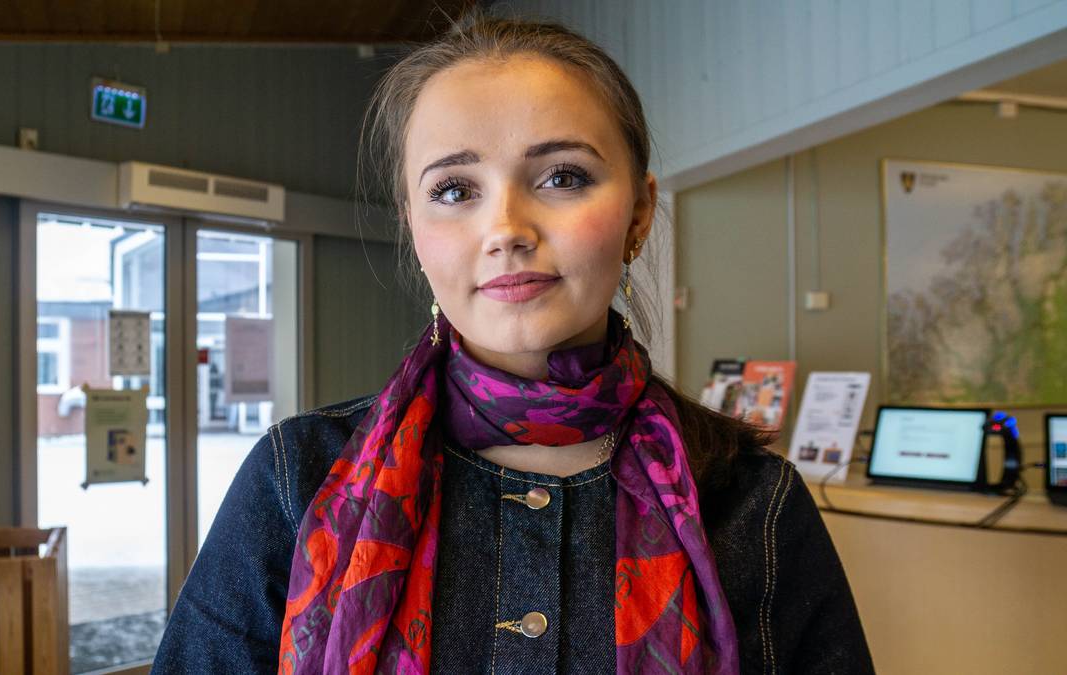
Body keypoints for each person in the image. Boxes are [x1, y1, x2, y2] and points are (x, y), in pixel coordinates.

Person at [152, 13, 873, 675]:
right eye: (454, 190)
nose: (506, 229)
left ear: (639, 213)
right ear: (414, 228)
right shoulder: (297, 477)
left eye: (562, 177)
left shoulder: (754, 503)